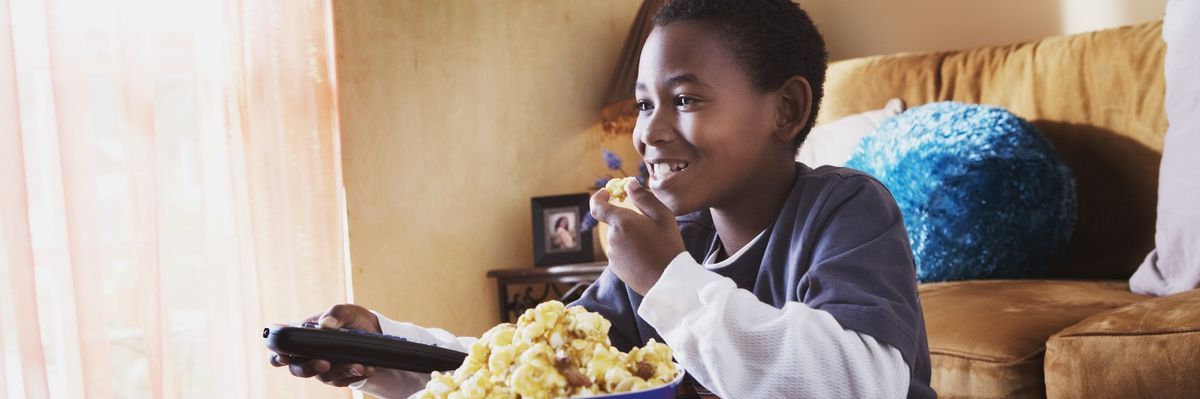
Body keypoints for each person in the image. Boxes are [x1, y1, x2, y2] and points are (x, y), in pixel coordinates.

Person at [269, 0, 934, 397]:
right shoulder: (682, 238)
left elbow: (857, 382)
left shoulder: (846, 212)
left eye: (684, 99)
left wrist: (668, 279)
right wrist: (389, 349)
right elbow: (542, 366)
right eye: (646, 104)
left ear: (786, 108)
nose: (649, 129)